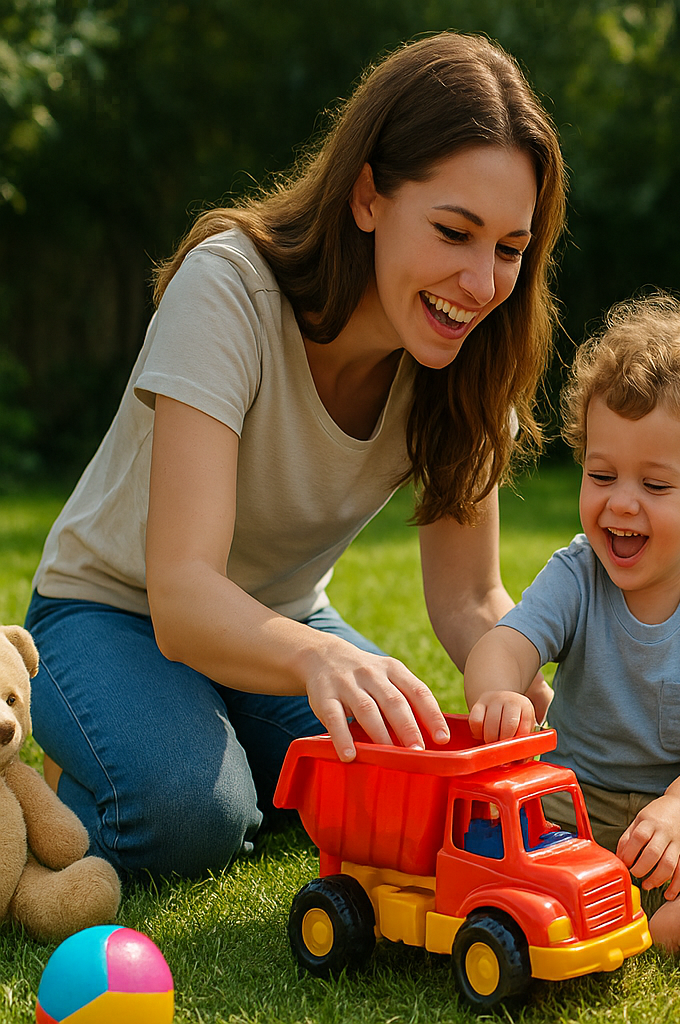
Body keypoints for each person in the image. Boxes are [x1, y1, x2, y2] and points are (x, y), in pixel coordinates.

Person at [24, 32, 567, 878]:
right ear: (366, 197)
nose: (481, 283)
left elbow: (467, 596)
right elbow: (181, 593)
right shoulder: (229, 291)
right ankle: (83, 775)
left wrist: (526, 685)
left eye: (509, 247)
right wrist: (320, 657)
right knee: (194, 820)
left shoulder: (462, 364)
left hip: (276, 625)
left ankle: (191, 739)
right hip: (109, 612)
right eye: (454, 231)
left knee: (409, 788)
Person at [463, 293, 680, 965]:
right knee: (496, 811)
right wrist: (499, 691)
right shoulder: (576, 574)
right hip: (573, 806)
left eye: (655, 486)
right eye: (602, 474)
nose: (620, 502)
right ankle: (585, 887)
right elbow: (501, 646)